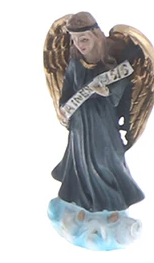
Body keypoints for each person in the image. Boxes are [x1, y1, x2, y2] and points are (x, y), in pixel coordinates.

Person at [52, 11, 145, 215]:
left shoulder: (110, 64)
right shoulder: (75, 64)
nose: (79, 45)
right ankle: (82, 201)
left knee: (105, 160)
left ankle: (112, 204)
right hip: (80, 123)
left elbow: (121, 89)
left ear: (95, 36)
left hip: (102, 121)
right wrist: (63, 107)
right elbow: (67, 88)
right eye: (75, 40)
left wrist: (107, 93)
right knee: (80, 161)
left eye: (84, 39)